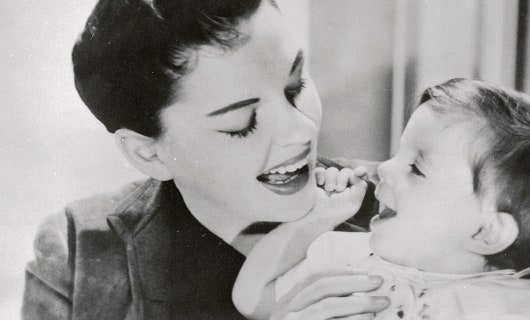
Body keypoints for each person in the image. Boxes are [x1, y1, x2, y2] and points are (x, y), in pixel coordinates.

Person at [21, 0, 387, 319]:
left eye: (295, 87)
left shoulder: (405, 202)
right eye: (240, 123)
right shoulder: (77, 251)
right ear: (149, 153)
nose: (301, 132)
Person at [233, 78, 530, 320]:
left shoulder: (526, 308)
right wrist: (319, 217)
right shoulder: (353, 262)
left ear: (488, 231)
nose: (384, 169)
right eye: (398, 155)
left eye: (416, 168)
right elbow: (251, 298)